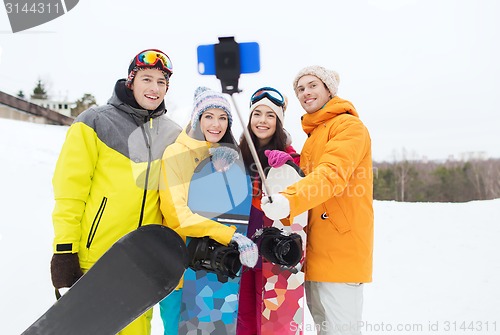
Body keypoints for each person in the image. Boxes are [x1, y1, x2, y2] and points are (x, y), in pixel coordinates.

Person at [49, 49, 182, 335]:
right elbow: (69, 191)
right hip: (95, 260)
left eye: (162, 82)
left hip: (142, 263)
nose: (154, 88)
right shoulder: (94, 122)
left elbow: (178, 197)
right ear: (131, 81)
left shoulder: (173, 134)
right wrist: (64, 250)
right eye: (147, 79)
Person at [261, 66, 374, 335]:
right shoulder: (315, 135)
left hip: (340, 249)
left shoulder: (348, 127)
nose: (306, 93)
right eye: (300, 89)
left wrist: (289, 199)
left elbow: (331, 174)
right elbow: (314, 176)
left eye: (313, 85)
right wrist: (293, 163)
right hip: (316, 251)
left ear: (329, 89)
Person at [158, 86, 259, 335]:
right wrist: (229, 235)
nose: (216, 124)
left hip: (213, 272)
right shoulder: (176, 154)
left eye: (223, 117)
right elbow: (176, 214)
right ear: (197, 119)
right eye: (209, 116)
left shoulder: (224, 157)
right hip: (179, 271)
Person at [236, 86, 300, 335]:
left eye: (270, 115)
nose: (262, 120)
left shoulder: (289, 155)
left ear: (279, 122)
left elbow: (300, 190)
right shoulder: (238, 153)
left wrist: (289, 166)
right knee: (244, 318)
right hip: (243, 248)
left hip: (273, 250)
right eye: (257, 114)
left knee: (274, 320)